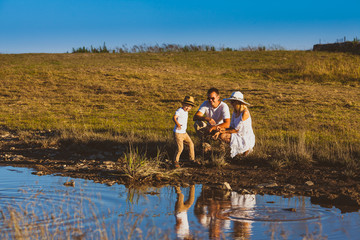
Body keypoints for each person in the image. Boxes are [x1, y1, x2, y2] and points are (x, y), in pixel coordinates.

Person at [212, 91, 255, 158]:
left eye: (233, 101)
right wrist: (221, 129)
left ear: (238, 102)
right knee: (221, 135)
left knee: (222, 136)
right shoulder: (235, 112)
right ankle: (240, 151)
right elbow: (231, 126)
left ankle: (245, 149)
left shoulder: (244, 113)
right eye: (231, 101)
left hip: (245, 136)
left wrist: (222, 131)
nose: (231, 103)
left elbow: (236, 129)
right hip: (237, 134)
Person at [172, 96, 196, 168]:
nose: (187, 108)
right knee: (180, 148)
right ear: (183, 104)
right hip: (178, 133)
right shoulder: (179, 110)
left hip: (184, 133)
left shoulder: (186, 112)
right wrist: (177, 123)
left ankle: (192, 160)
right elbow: (174, 117)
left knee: (191, 144)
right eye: (186, 106)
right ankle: (175, 161)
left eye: (189, 107)